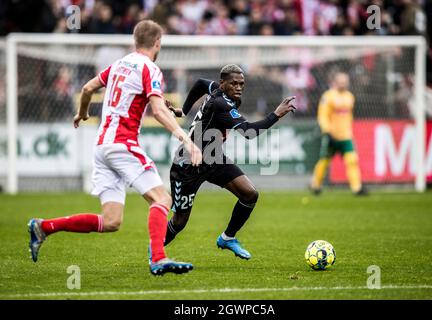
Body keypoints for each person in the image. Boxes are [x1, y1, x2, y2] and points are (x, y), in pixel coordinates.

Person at [27, 20, 202, 276]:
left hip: (101, 147)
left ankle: (43, 227)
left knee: (111, 221)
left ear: (134, 41)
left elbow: (87, 88)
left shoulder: (119, 64)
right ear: (157, 43)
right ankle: (158, 258)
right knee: (162, 198)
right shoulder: (150, 68)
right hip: (122, 143)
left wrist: (82, 113)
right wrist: (185, 138)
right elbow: (158, 110)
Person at [163, 64, 296, 260]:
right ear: (223, 83)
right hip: (188, 163)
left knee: (249, 194)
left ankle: (227, 237)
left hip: (214, 158)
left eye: (241, 83)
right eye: (234, 83)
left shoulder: (217, 89)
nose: (239, 87)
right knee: (180, 221)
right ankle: (156, 248)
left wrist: (182, 110)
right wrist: (276, 114)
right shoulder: (221, 104)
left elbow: (200, 83)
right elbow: (249, 132)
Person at [310, 72, 368, 196]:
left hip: (346, 136)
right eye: (340, 81)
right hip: (331, 135)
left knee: (352, 160)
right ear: (335, 82)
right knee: (324, 161)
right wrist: (326, 131)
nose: (343, 83)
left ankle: (357, 188)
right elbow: (323, 115)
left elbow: (348, 117)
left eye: (345, 81)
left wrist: (350, 131)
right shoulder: (328, 96)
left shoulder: (349, 97)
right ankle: (316, 185)